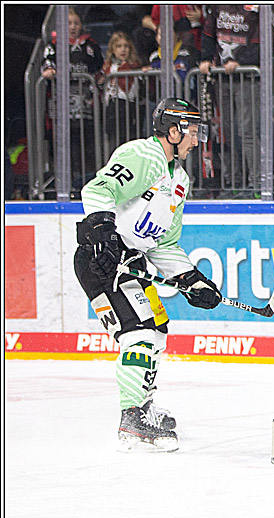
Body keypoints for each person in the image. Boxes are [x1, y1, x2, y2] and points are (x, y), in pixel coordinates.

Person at [76, 98, 221, 452]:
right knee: (137, 334)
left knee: (155, 331)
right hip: (102, 262)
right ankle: (132, 419)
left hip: (131, 264)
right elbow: (97, 190)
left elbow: (164, 243)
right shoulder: (144, 156)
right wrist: (103, 232)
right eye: (191, 131)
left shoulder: (180, 180)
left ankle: (143, 406)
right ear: (173, 131)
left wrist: (193, 280)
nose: (196, 139)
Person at [199, 5, 262, 196]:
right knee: (225, 132)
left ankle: (257, 184)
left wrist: (242, 62)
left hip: (247, 77)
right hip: (221, 79)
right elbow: (208, 36)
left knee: (247, 132)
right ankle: (232, 183)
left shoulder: (256, 8)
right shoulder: (217, 7)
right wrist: (205, 59)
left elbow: (262, 42)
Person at [41, 7, 104, 190]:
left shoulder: (90, 45)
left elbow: (99, 68)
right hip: (60, 107)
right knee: (62, 145)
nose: (73, 27)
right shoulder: (53, 45)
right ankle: (65, 186)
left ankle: (85, 185)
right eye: (69, 23)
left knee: (85, 147)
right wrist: (50, 71)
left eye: (76, 23)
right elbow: (46, 67)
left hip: (85, 106)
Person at [99, 32, 143, 147]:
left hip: (130, 106)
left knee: (129, 140)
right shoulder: (107, 67)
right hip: (113, 106)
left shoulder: (135, 66)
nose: (123, 50)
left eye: (126, 46)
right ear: (112, 49)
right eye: (119, 46)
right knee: (114, 140)